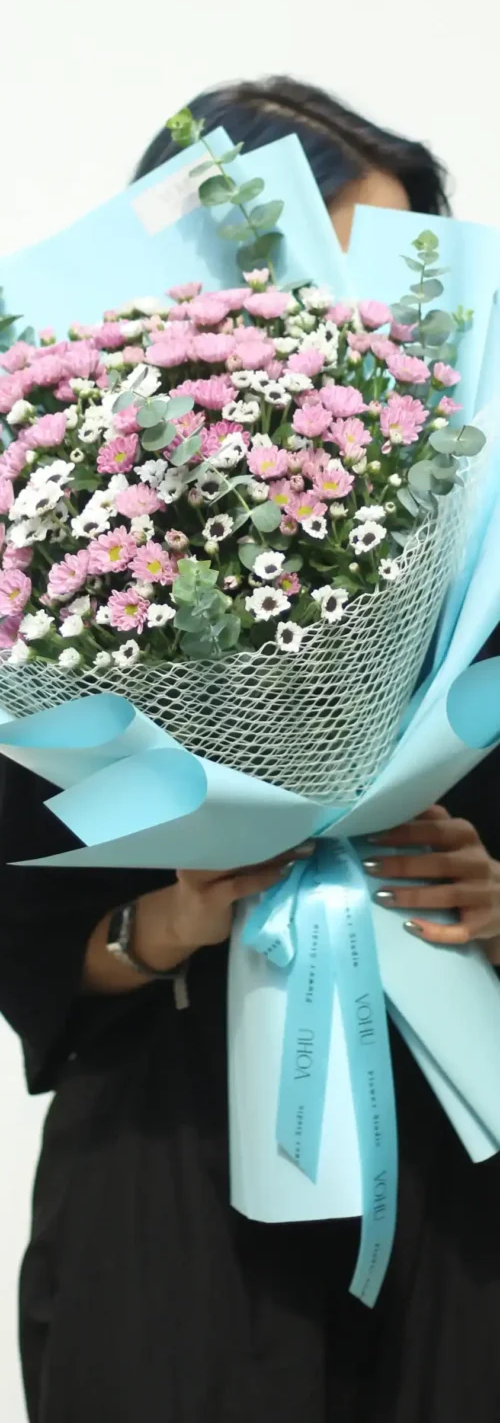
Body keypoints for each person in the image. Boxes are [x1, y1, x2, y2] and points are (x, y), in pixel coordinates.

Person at [0, 76, 499, 1423]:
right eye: (313, 261)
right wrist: (165, 921)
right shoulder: (56, 560)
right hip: (168, 1168)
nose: (351, 316)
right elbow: (27, 932)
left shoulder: (474, 547)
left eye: (396, 269)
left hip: (457, 1165)